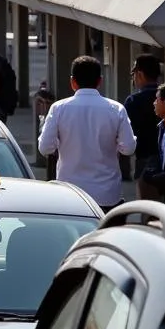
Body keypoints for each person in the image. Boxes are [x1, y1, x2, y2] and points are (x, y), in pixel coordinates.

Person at [37, 55, 136, 213]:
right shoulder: (116, 109)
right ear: (99, 81)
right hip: (107, 194)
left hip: (69, 194)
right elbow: (129, 148)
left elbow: (45, 148)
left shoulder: (59, 108)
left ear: (72, 81)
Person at [125, 54, 162, 185]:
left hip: (144, 160)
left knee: (146, 202)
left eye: (133, 75)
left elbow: (127, 133)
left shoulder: (133, 101)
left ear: (139, 74)